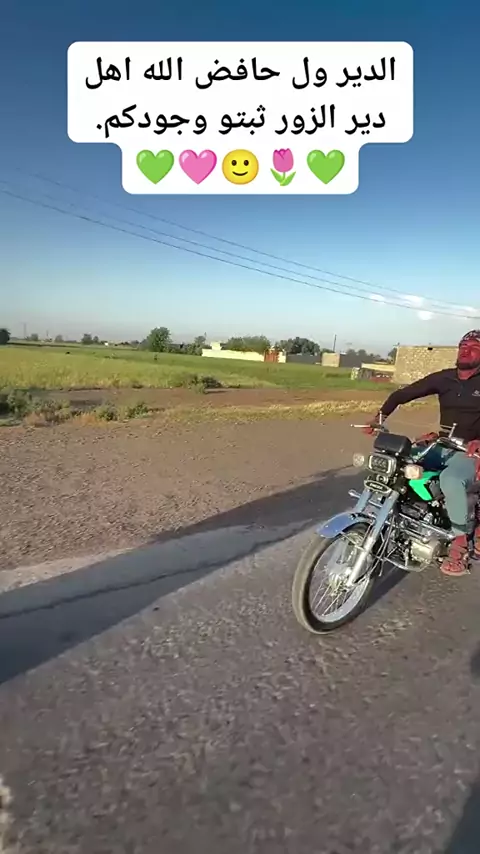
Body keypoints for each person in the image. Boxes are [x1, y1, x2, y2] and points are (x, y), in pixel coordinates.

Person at [364, 330, 480, 577]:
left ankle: (460, 545)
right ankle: (395, 517)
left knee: (451, 480)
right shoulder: (445, 378)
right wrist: (379, 418)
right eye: (463, 345)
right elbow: (402, 394)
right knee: (397, 462)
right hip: (443, 445)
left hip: (471, 452)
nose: (466, 350)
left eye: (474, 347)